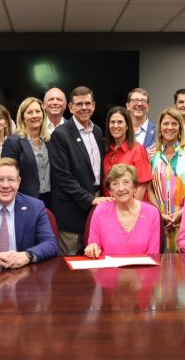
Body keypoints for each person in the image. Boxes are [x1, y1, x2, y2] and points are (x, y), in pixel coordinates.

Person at [50, 86, 113, 255]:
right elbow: (62, 176)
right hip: (72, 210)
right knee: (70, 263)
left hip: (97, 205)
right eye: (79, 104)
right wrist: (89, 199)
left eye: (87, 103)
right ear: (70, 107)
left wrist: (96, 199)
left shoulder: (98, 131)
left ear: (94, 105)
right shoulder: (60, 134)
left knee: (95, 258)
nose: (84, 108)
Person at [148, 107, 185, 252]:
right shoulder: (152, 153)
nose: (169, 127)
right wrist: (159, 214)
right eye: (165, 124)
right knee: (160, 266)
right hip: (159, 220)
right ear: (159, 128)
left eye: (174, 124)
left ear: (180, 127)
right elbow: (150, 188)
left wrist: (183, 212)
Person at [84, 165, 160, 257]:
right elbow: (93, 247)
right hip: (108, 269)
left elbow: (154, 254)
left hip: (143, 269)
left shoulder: (152, 213)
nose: (121, 188)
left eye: (126, 182)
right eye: (115, 184)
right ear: (110, 191)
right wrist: (92, 249)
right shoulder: (100, 211)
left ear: (135, 187)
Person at [1, 97, 53, 208]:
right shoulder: (12, 142)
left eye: (38, 111)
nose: (35, 115)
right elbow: (8, 176)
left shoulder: (50, 141)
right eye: (29, 112)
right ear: (23, 117)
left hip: (51, 200)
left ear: (43, 115)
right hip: (24, 201)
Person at [102, 106, 152, 200]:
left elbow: (141, 187)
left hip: (130, 210)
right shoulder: (107, 151)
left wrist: (130, 212)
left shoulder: (138, 150)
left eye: (120, 122)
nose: (115, 126)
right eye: (112, 122)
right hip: (110, 208)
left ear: (128, 125)